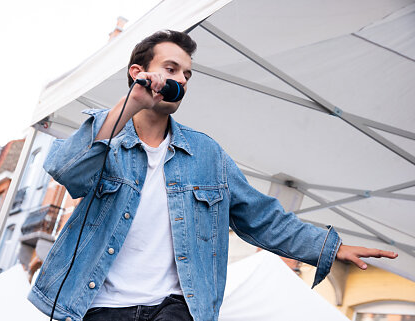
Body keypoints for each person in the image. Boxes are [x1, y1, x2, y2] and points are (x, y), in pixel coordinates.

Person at [28, 30, 397, 321]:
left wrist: (329, 248)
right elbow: (66, 170)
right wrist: (132, 105)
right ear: (138, 72)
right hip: (100, 306)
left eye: (187, 74)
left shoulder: (207, 155)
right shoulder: (104, 133)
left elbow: (263, 218)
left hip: (174, 307)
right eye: (171, 69)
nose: (182, 80)